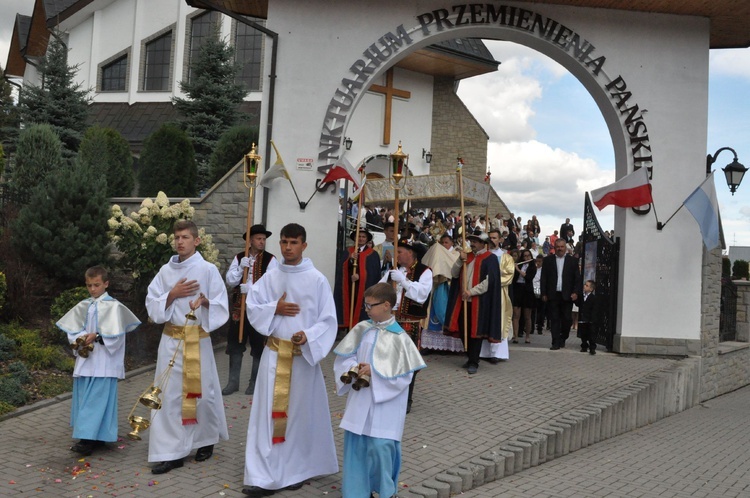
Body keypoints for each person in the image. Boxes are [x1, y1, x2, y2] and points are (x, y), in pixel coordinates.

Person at [243, 223, 338, 496]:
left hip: (300, 361)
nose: (287, 247)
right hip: (274, 356)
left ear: (304, 245)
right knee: (268, 414)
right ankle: (262, 473)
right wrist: (276, 307)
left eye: (293, 242)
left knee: (296, 417)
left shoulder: (317, 279)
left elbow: (328, 320)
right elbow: (253, 305)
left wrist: (308, 335)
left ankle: (295, 469)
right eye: (284, 242)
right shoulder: (272, 277)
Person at [145, 220, 230, 474]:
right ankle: (172, 452)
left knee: (201, 394)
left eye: (185, 237)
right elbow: (152, 303)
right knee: (169, 397)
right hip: (171, 341)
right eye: (177, 237)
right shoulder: (165, 271)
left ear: (197, 240)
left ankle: (205, 440)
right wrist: (172, 294)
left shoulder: (208, 270)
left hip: (197, 340)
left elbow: (221, 304)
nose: (180, 241)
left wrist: (205, 302)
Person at [333, 283, 426, 498]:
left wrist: (374, 372)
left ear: (386, 305)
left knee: (381, 447)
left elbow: (405, 375)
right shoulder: (362, 329)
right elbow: (345, 357)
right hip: (360, 398)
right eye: (365, 305)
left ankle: (385, 490)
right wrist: (354, 368)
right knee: (357, 446)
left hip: (386, 405)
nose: (366, 310)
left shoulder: (401, 338)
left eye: (370, 306)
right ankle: (356, 492)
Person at [56, 266, 140, 456]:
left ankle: (88, 440)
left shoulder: (114, 307)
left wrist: (98, 336)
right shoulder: (84, 305)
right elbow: (72, 329)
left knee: (97, 400)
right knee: (85, 397)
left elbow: (117, 337)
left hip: (104, 361)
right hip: (86, 360)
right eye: (89, 285)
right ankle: (95, 436)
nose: (92, 289)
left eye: (96, 285)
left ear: (106, 284)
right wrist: (80, 338)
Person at [222, 224, 278, 395]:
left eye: (264, 239)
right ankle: (233, 382)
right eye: (259, 239)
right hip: (240, 307)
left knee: (258, 344)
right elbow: (230, 281)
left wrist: (252, 289)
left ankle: (254, 381)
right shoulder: (240, 257)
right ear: (250, 241)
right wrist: (240, 269)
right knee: (235, 343)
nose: (262, 242)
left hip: (259, 309)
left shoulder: (271, 259)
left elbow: (272, 285)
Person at [379, 238, 432, 413]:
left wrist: (404, 281)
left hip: (410, 323)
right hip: (391, 320)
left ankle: (406, 397)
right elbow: (378, 290)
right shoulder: (393, 271)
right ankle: (389, 395)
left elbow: (421, 295)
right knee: (387, 358)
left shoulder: (425, 272)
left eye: (400, 251)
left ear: (410, 253)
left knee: (408, 362)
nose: (397, 255)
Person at [444, 232, 502, 374]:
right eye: (471, 241)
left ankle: (473, 361)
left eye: (476, 241)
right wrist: (459, 260)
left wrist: (472, 292)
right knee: (465, 329)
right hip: (463, 300)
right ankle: (471, 357)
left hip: (479, 301)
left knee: (476, 333)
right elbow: (454, 273)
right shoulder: (467, 256)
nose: (472, 243)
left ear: (483, 243)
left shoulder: (491, 258)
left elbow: (489, 282)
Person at [336, 229, 382, 330]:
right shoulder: (348, 251)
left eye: (363, 237)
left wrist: (360, 276)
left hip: (365, 288)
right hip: (350, 287)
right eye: (358, 236)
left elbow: (374, 274)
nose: (361, 239)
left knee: (362, 312)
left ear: (367, 239)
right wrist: (350, 260)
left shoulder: (372, 254)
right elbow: (341, 270)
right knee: (350, 310)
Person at [541, 238, 580, 350]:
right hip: (553, 295)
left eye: (562, 247)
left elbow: (577, 278)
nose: (560, 249)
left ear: (565, 248)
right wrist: (543, 292)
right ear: (554, 247)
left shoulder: (572, 261)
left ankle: (563, 337)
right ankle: (555, 342)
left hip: (567, 295)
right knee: (554, 319)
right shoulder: (548, 260)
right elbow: (544, 278)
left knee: (567, 319)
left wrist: (576, 292)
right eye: (558, 247)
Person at [512, 249, 537, 344]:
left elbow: (528, 277)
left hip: (527, 291)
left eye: (528, 256)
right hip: (518, 289)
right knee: (516, 314)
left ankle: (527, 336)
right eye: (524, 256)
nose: (526, 258)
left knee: (527, 316)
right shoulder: (520, 264)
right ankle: (516, 336)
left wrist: (518, 269)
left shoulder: (532, 267)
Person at [577, 280, 602, 355]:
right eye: (585, 284)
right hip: (582, 318)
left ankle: (592, 347)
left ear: (591, 289)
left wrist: (593, 319)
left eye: (587, 285)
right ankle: (584, 346)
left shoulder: (593, 298)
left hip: (590, 319)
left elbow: (595, 309)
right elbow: (579, 304)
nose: (584, 286)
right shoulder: (582, 296)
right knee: (583, 334)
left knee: (591, 334)